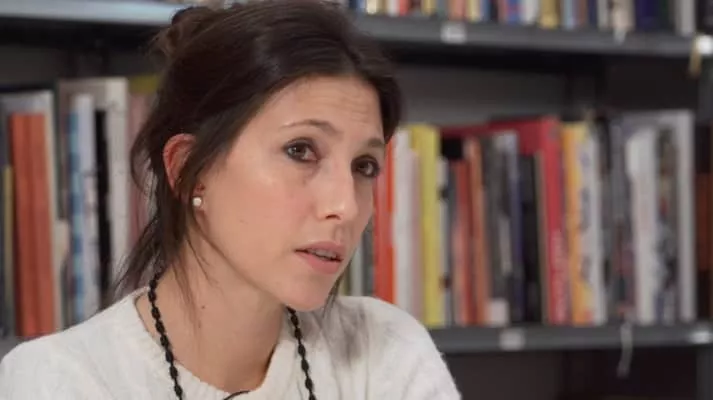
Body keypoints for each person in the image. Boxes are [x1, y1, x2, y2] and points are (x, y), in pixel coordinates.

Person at [0, 1, 461, 399]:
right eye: (300, 150)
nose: (346, 206)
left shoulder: (385, 351)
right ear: (189, 171)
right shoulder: (61, 380)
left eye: (364, 166)